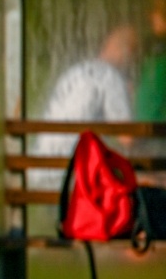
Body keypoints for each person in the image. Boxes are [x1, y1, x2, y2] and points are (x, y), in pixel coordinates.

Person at [29, 23, 138, 192]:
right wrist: (134, 100)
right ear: (126, 51)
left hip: (42, 171)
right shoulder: (110, 77)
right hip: (70, 177)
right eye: (135, 50)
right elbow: (127, 138)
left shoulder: (77, 72)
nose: (136, 58)